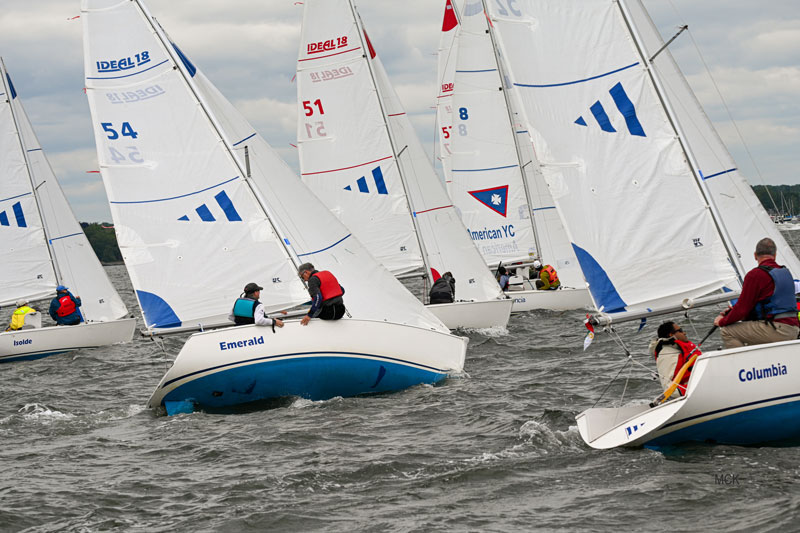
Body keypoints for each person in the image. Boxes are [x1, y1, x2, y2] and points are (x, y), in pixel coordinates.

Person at [714, 237, 800, 348]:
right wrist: (731, 313)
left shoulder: (755, 275)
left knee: (727, 331)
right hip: (793, 328)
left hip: (777, 329)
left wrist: (722, 321)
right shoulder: (786, 272)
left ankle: (744, 364)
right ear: (775, 255)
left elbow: (742, 309)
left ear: (755, 255)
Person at [649, 321, 701, 396]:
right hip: (694, 393)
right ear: (671, 334)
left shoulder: (680, 349)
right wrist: (696, 389)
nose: (684, 333)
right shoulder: (666, 355)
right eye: (680, 331)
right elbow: (669, 389)